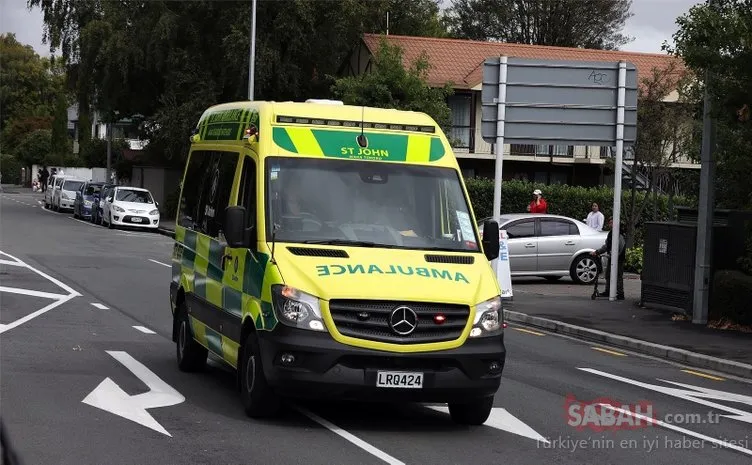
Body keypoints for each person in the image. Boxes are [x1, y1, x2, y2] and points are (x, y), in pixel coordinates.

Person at [591, 217, 626, 300]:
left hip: (619, 258)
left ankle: (620, 293)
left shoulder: (619, 234)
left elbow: (620, 247)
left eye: (612, 223)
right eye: (610, 223)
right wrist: (597, 252)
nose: (610, 224)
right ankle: (608, 291)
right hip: (612, 257)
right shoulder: (611, 234)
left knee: (618, 275)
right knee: (608, 274)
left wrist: (614, 256)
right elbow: (606, 246)